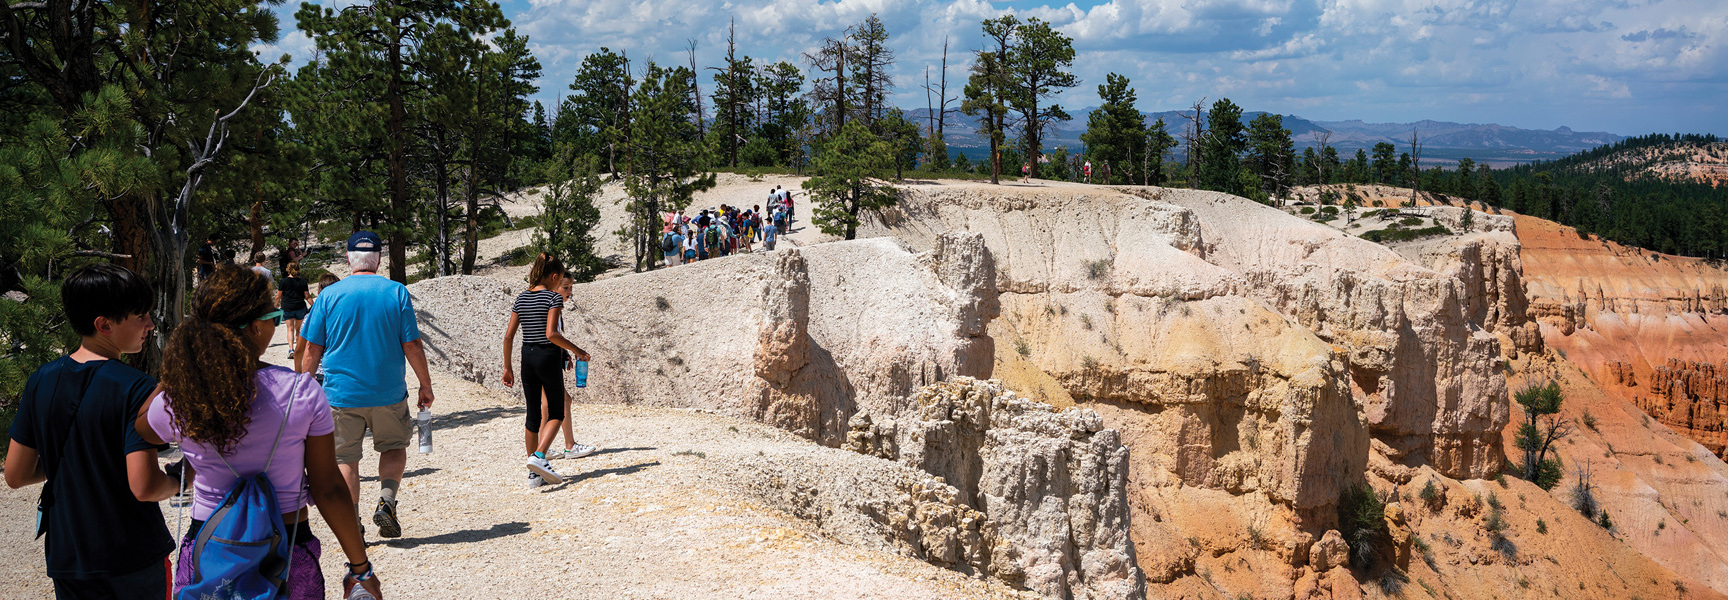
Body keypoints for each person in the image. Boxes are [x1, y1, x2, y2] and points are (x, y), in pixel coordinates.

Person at [139, 265, 383, 600]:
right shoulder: (301, 393)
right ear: (255, 327)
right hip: (287, 548)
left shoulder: (179, 400)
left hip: (210, 548)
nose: (276, 323)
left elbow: (144, 430)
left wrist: (179, 370)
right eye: (275, 316)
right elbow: (328, 489)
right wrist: (360, 568)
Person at [5, 264, 176, 599]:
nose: (150, 325)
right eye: (140, 316)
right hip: (132, 553)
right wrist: (183, 476)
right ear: (104, 325)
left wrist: (65, 461)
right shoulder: (137, 388)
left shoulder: (41, 380)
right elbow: (145, 487)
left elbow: (16, 473)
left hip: (68, 553)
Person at [298, 231, 434, 539]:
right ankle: (386, 500)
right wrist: (424, 384)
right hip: (388, 391)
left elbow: (311, 348)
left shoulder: (329, 296)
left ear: (348, 259)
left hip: (341, 395)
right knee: (395, 447)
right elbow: (411, 343)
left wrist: (304, 387)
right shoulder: (396, 291)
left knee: (346, 459)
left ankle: (353, 522)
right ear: (379, 260)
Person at [500, 254, 591, 487]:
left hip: (525, 356)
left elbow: (508, 336)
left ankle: (534, 476)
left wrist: (507, 368)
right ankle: (539, 456)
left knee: (532, 415)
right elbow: (552, 334)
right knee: (556, 412)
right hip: (547, 355)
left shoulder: (521, 298)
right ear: (553, 276)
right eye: (560, 279)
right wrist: (578, 350)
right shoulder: (552, 298)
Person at [545, 277, 599, 461]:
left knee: (558, 401)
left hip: (546, 358)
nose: (570, 292)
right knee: (557, 402)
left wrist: (564, 354)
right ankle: (562, 447)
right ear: (555, 286)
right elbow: (551, 335)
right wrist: (576, 351)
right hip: (545, 360)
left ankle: (551, 447)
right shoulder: (552, 305)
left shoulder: (554, 306)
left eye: (571, 288)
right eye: (566, 288)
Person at [294, 273, 339, 374]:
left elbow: (299, 350)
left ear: (319, 293)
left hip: (318, 373)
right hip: (340, 374)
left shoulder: (311, 317)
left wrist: (298, 375)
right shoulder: (345, 317)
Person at [279, 262, 311, 362]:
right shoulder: (302, 281)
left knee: (290, 329)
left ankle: (291, 349)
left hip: (288, 307)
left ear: (288, 269)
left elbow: (278, 295)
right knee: (299, 330)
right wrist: (314, 305)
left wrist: (275, 305)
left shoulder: (284, 281)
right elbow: (307, 296)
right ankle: (299, 350)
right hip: (300, 307)